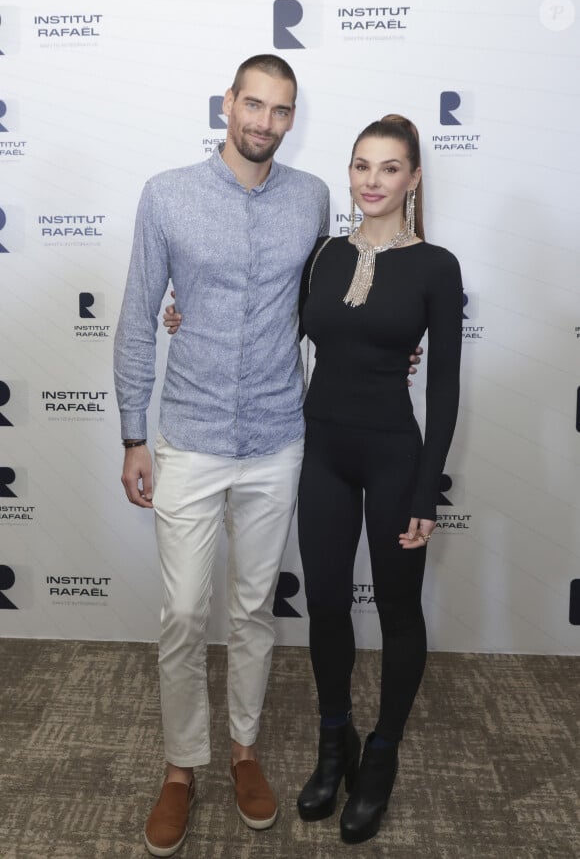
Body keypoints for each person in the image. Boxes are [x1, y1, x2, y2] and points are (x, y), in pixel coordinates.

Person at [113, 54, 330, 857]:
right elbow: (139, 315)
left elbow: (324, 305)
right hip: (190, 437)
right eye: (254, 105)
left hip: (277, 435)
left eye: (281, 110)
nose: (265, 123)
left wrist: (388, 346)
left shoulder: (311, 199)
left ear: (291, 117)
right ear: (228, 103)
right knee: (180, 615)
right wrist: (133, 433)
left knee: (251, 612)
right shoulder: (167, 195)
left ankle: (242, 750)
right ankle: (180, 764)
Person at [295, 114, 463, 844]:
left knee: (398, 607)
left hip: (396, 454)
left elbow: (447, 387)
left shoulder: (436, 265)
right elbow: (274, 328)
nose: (371, 181)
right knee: (327, 603)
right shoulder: (323, 253)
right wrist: (183, 315)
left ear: (414, 177)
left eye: (389, 168)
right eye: (361, 166)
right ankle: (336, 737)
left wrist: (427, 490)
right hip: (322, 450)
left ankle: (383, 749)